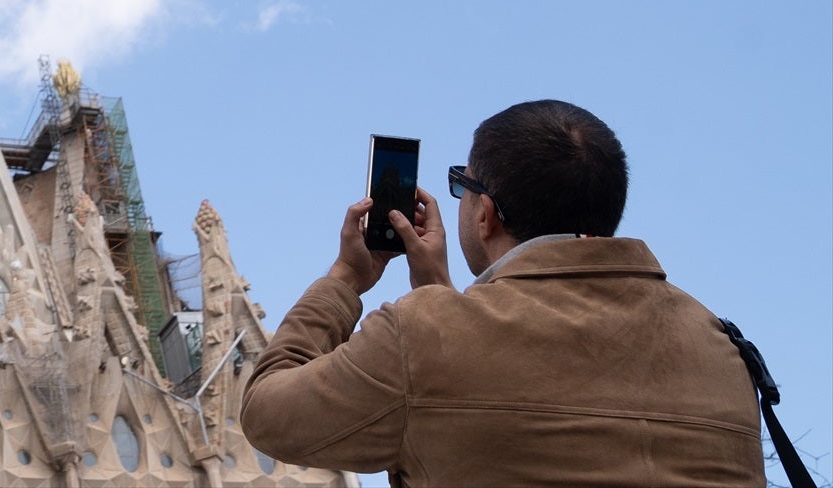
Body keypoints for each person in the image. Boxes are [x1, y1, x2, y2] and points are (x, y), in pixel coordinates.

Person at [240, 99, 762, 486]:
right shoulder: (720, 347)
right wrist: (438, 300)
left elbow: (267, 413)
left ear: (484, 214)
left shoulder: (419, 339)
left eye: (461, 185)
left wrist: (345, 280)